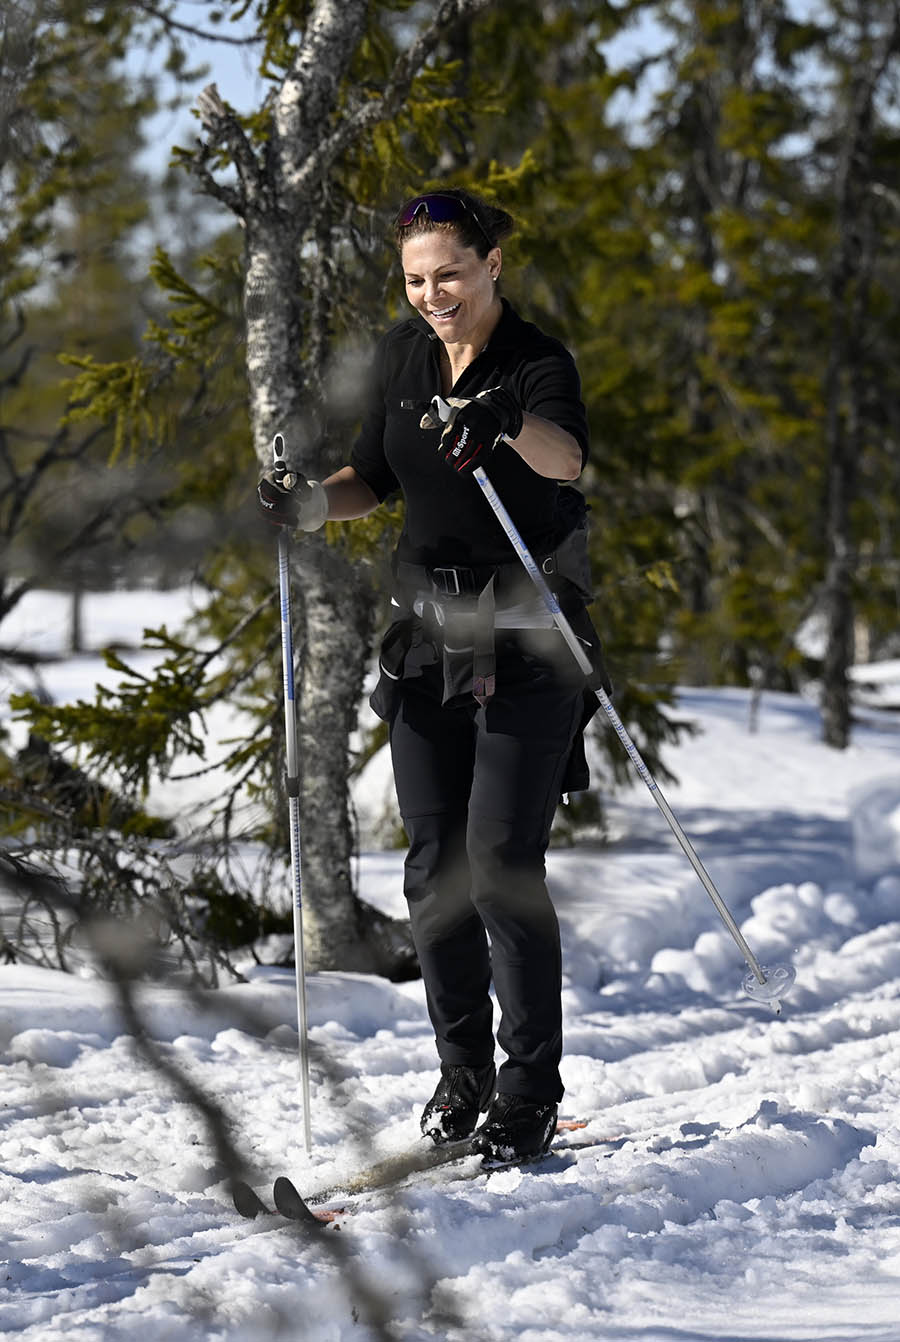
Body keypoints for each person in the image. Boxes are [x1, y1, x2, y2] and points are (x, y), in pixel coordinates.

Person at [257, 188, 605, 1162]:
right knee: (433, 873)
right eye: (415, 279)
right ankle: (464, 1080)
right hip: (425, 643)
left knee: (499, 867)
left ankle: (529, 1089)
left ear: (493, 263)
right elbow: (372, 474)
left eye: (448, 273)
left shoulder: (536, 361)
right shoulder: (404, 359)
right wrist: (307, 503)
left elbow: (567, 458)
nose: (431, 294)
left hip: (526, 639)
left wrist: (498, 422)